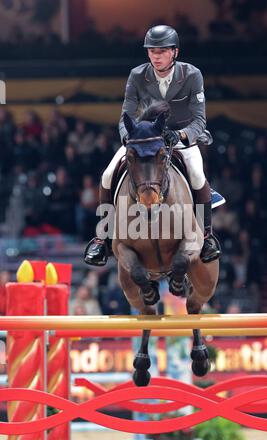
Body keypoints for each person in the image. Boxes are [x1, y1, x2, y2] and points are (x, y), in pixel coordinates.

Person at [84, 24, 221, 266]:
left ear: (175, 52)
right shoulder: (137, 75)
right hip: (144, 140)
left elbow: (199, 119)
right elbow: (125, 115)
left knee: (198, 176)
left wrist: (180, 137)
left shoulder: (192, 75)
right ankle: (101, 239)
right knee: (107, 175)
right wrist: (130, 137)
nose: (156, 56)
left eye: (162, 51)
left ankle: (207, 237)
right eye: (152, 51)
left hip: (180, 140)